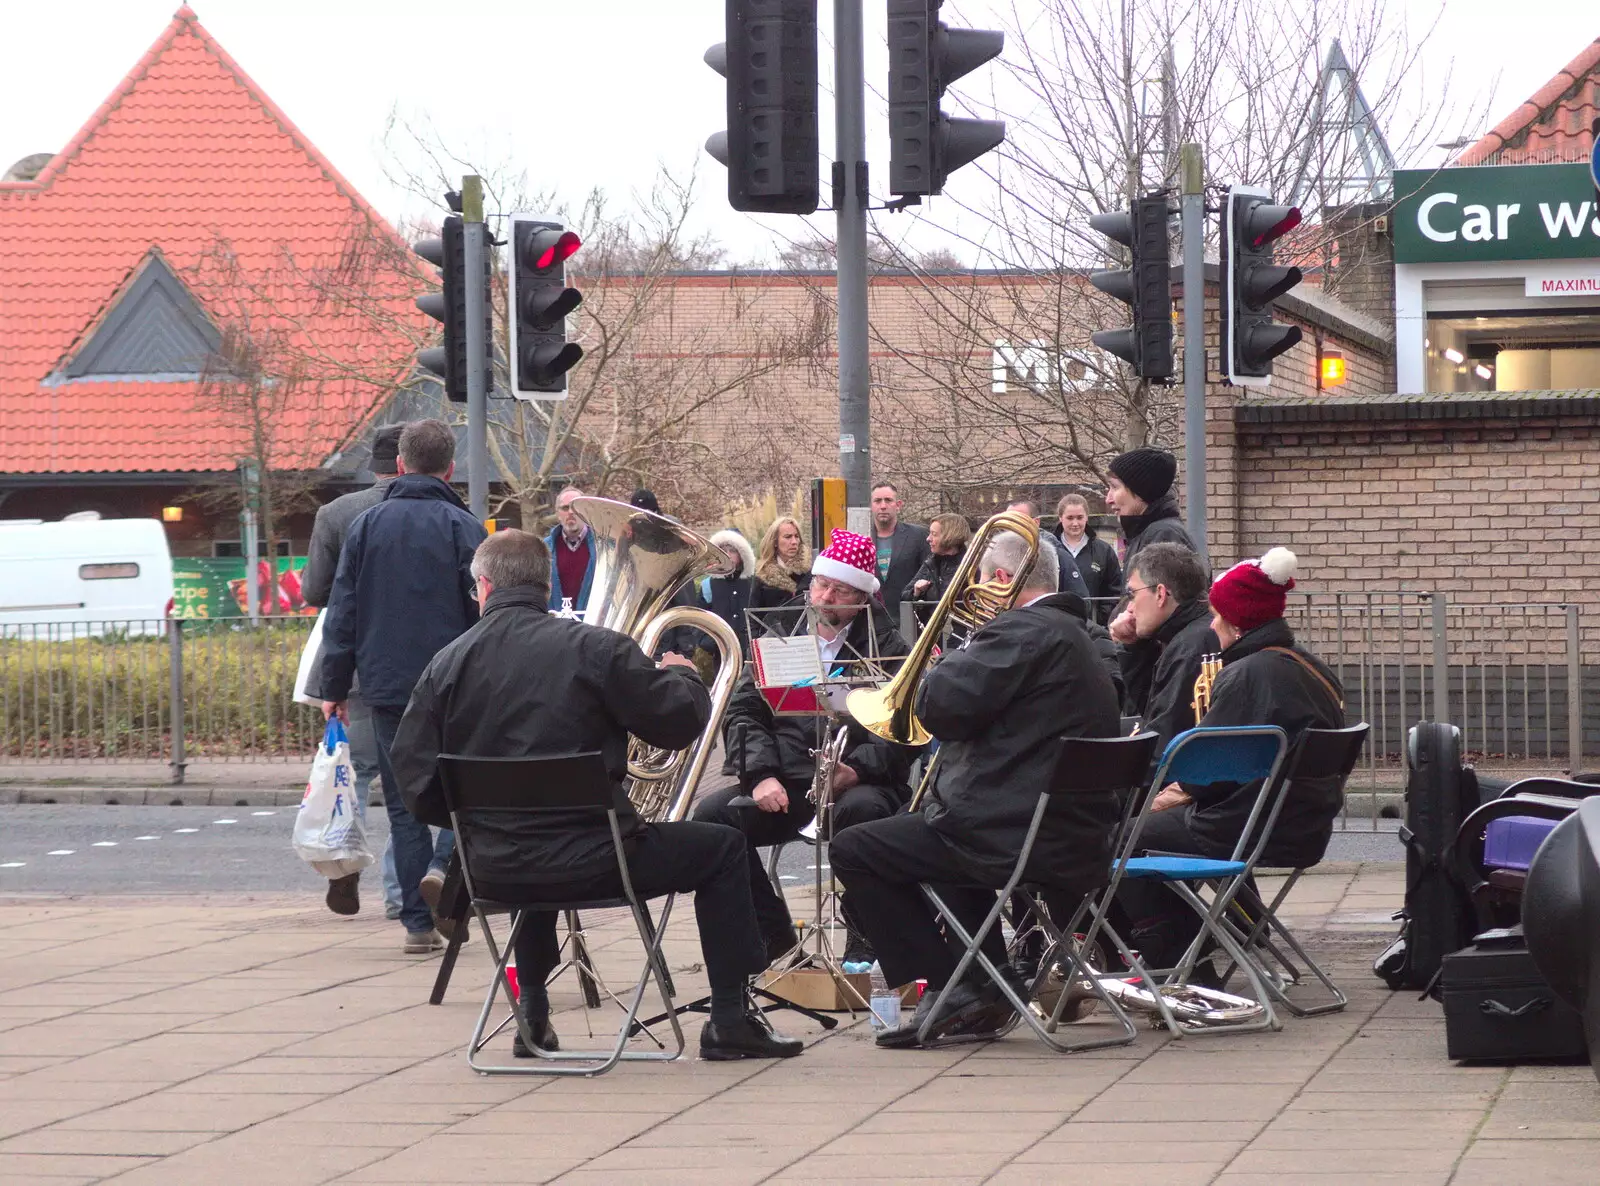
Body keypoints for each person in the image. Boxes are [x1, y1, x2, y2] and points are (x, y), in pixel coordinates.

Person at [390, 529, 802, 1061]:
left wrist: (474, 824)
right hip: (600, 861)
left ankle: (532, 1016)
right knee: (722, 847)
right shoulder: (594, 649)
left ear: (484, 587)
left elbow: (413, 778)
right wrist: (685, 680)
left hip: (491, 869)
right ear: (545, 587)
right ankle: (729, 1019)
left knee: (527, 834)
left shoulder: (444, 663)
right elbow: (676, 725)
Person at [830, 534, 1123, 1046]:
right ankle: (985, 978)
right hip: (1068, 838)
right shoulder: (1074, 635)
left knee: (854, 849)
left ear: (1003, 580)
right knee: (934, 831)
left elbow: (940, 707)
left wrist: (952, 655)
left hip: (1009, 838)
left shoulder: (1020, 632)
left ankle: (953, 984)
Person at [1116, 547, 1345, 976]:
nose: (1214, 623)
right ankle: (1232, 933)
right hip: (1303, 825)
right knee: (1150, 830)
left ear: (1240, 622)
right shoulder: (1313, 670)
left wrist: (1173, 792)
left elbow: (1203, 774)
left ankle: (1183, 968)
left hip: (1241, 829)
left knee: (1123, 839)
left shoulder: (1246, 675)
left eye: (1220, 615)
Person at [695, 529, 914, 966]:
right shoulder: (781, 629)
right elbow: (743, 712)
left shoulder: (889, 646)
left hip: (856, 783)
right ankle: (771, 934)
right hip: (789, 779)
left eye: (840, 590)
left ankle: (863, 938)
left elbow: (902, 733)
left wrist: (858, 770)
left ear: (863, 597)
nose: (825, 597)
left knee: (863, 816)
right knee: (712, 822)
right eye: (821, 584)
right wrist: (760, 775)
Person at [319, 419, 485, 953]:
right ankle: (442, 869)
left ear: (399, 465)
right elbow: (482, 616)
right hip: (454, 685)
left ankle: (416, 925)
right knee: (465, 797)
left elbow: (342, 611)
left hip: (388, 687)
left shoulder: (367, 527)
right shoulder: (466, 529)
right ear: (450, 467)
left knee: (403, 803)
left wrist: (334, 685)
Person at [300, 423, 404, 919]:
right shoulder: (438, 511)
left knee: (355, 776)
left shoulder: (336, 514)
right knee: (410, 784)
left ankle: (344, 870)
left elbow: (313, 591)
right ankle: (403, 895)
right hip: (415, 667)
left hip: (354, 665)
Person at [1105, 447, 1196, 714]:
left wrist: (1124, 626)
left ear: (1140, 491)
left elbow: (1163, 604)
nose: (1109, 498)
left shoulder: (1162, 533)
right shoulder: (1149, 531)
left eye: (1115, 487)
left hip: (1153, 668)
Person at [1120, 543, 1217, 755]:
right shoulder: (1190, 635)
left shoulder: (1189, 647)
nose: (1129, 607)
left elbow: (1162, 745)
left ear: (1160, 594)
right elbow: (1153, 710)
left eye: (1132, 594)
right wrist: (1134, 648)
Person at [1005, 497, 1091, 599]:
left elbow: (1080, 599)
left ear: (1036, 522)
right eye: (1008, 521)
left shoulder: (1058, 556)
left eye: (1019, 521)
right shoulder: (997, 553)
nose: (1012, 526)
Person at [1055, 493, 1122, 623]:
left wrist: (1098, 618)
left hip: (1093, 629)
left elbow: (1115, 591)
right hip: (1056, 626)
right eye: (1070, 518)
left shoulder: (1104, 551)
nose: (1075, 523)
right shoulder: (1048, 550)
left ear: (1087, 518)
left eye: (1080, 517)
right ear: (1060, 518)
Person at [869, 481, 928, 624]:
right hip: (870, 622)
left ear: (898, 505)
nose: (883, 506)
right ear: (871, 505)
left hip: (909, 622)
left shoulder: (918, 536)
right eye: (877, 501)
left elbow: (928, 575)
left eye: (888, 500)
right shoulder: (860, 537)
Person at [696, 529, 756, 658]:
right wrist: (710, 642)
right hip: (722, 653)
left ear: (742, 554)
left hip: (751, 652)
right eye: (723, 551)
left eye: (733, 550)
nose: (728, 555)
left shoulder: (754, 583)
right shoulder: (708, 585)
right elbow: (699, 619)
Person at [901, 513, 969, 617]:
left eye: (934, 534)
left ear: (950, 536)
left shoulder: (971, 567)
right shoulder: (931, 562)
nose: (928, 539)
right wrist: (916, 592)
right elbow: (904, 597)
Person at [546, 486, 596, 615]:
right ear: (557, 514)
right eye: (565, 508)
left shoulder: (602, 548)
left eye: (575, 507)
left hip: (592, 629)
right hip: (555, 629)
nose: (571, 512)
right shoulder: (543, 549)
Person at [751, 516, 811, 611]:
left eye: (796, 536)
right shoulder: (763, 575)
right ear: (775, 542)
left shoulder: (810, 572)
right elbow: (754, 618)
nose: (794, 542)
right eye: (788, 537)